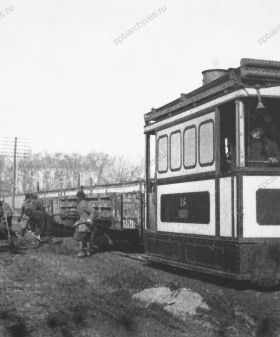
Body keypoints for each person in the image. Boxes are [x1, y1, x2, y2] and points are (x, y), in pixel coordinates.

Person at [73, 190, 95, 258]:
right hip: (84, 223)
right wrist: (77, 222)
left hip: (84, 224)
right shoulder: (80, 203)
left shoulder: (83, 204)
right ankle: (88, 252)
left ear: (80, 197)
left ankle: (81, 252)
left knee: (79, 238)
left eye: (77, 197)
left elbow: (93, 211)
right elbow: (82, 215)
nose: (76, 198)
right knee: (87, 238)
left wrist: (90, 219)